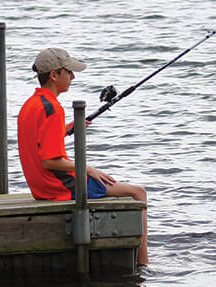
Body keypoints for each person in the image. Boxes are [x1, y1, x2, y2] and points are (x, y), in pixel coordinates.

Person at [17, 47, 148, 264]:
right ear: (54, 75)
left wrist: (68, 127)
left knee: (119, 191)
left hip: (40, 186)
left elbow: (38, 142)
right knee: (138, 194)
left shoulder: (32, 105)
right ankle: (144, 264)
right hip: (58, 187)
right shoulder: (53, 109)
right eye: (68, 72)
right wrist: (86, 169)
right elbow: (49, 160)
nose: (73, 77)